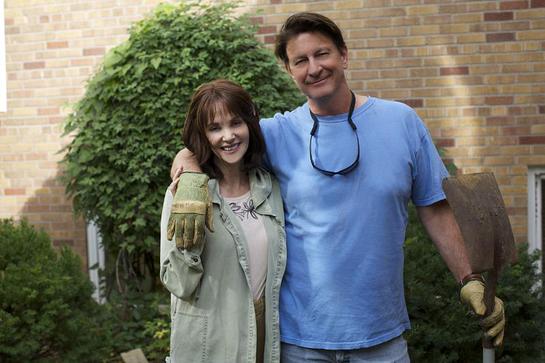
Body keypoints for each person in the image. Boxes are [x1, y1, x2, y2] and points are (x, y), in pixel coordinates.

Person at [169, 13, 506, 362]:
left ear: (344, 55)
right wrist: (191, 176)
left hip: (383, 340)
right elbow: (209, 143)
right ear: (290, 70)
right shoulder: (275, 134)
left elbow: (434, 208)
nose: (314, 68)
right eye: (300, 60)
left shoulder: (401, 122)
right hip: (299, 343)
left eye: (322, 54)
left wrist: (469, 278)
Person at [160, 79, 286, 363]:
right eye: (215, 128)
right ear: (202, 135)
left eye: (235, 123)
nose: (228, 136)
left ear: (249, 125)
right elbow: (177, 283)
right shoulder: (185, 193)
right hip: (211, 344)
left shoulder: (269, 187)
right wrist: (188, 244)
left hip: (266, 340)